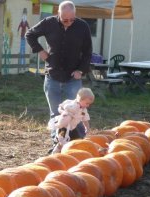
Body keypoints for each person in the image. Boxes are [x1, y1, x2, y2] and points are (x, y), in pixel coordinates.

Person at [25, 1, 93, 151]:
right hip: (52, 76)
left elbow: (88, 51)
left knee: (77, 113)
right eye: (64, 20)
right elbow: (30, 34)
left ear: (75, 15)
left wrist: (80, 70)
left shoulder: (82, 27)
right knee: (57, 115)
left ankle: (78, 145)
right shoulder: (49, 23)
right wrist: (40, 51)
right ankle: (58, 146)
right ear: (58, 14)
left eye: (71, 19)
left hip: (72, 78)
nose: (68, 23)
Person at [48, 88, 95, 153]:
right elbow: (60, 107)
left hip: (72, 128)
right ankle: (55, 153)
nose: (88, 105)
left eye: (89, 104)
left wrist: (87, 127)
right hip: (63, 126)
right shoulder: (69, 103)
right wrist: (63, 112)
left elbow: (85, 119)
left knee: (75, 140)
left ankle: (70, 152)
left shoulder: (84, 110)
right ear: (80, 99)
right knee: (62, 140)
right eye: (87, 103)